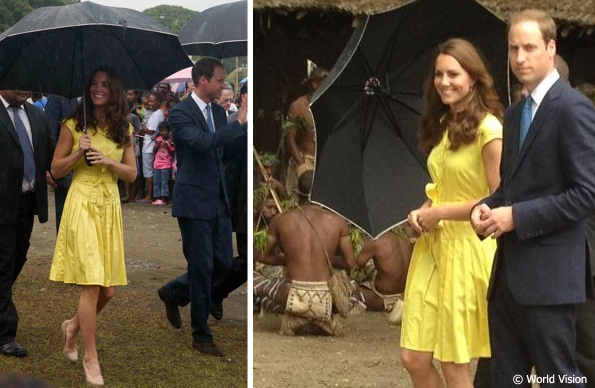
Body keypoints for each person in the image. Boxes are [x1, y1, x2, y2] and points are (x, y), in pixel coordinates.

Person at [471, 10, 595, 388]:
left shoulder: (573, 109)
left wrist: (516, 217)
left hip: (551, 281)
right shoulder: (514, 113)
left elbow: (586, 194)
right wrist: (486, 207)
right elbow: (511, 189)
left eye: (529, 48)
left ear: (550, 47)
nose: (520, 58)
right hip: (508, 278)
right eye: (513, 50)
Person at [399, 38, 503, 388]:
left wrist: (440, 211)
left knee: (454, 363)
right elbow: (442, 185)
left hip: (469, 248)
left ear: (473, 78)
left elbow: (498, 199)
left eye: (454, 74)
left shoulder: (489, 129)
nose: (444, 82)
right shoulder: (443, 124)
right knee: (413, 358)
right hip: (432, 250)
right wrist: (424, 211)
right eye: (439, 74)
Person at [49, 66, 136, 387]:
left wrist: (109, 161)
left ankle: (72, 326)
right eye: (94, 84)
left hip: (109, 206)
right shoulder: (73, 125)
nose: (98, 89)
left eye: (104, 85)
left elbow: (131, 174)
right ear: (88, 89)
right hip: (82, 203)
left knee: (108, 291)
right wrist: (77, 154)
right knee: (91, 283)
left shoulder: (123, 129)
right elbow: (56, 170)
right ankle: (89, 355)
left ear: (114, 91)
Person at [156, 58, 247, 357]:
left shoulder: (220, 115)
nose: (224, 86)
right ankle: (201, 334)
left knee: (221, 263)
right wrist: (238, 123)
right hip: (193, 201)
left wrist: (244, 132)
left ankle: (174, 292)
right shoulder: (181, 113)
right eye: (221, 81)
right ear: (203, 80)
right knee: (202, 266)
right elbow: (203, 144)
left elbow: (224, 152)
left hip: (218, 200)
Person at [253, 170, 359, 336]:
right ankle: (322, 318)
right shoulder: (338, 222)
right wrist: (327, 261)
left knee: (254, 281)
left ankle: (297, 316)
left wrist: (288, 260)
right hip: (326, 298)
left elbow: (262, 256)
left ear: (296, 193)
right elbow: (351, 264)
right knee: (354, 286)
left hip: (291, 295)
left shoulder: (281, 220)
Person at [0, 90, 54, 358]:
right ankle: (5, 334)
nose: (25, 87)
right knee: (4, 264)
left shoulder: (36, 115)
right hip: (1, 203)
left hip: (27, 203)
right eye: (18, 80)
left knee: (17, 258)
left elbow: (52, 154)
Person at [211, 81, 248, 320]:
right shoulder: (232, 123)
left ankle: (212, 289)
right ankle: (214, 290)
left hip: (266, 198)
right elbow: (227, 160)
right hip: (242, 198)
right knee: (244, 259)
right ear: (244, 97)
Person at [284, 64, 329, 195]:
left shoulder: (330, 104)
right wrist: (302, 165)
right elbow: (290, 138)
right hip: (305, 160)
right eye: (323, 81)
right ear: (314, 84)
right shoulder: (298, 106)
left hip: (324, 162)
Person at [355, 231, 412, 321]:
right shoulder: (405, 239)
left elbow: (355, 265)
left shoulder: (376, 241)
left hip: (382, 299)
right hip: (404, 296)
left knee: (350, 287)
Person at [44, 94, 79, 231]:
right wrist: (49, 167)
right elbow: (49, 133)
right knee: (66, 217)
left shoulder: (94, 97)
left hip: (89, 171)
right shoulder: (58, 98)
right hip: (65, 168)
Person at [137, 91, 165, 203]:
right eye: (149, 100)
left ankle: (149, 196)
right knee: (150, 171)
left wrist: (142, 127)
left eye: (152, 101)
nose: (149, 103)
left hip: (149, 146)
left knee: (148, 172)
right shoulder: (158, 113)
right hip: (151, 145)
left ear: (158, 102)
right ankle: (151, 195)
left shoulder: (157, 114)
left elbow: (151, 130)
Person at [152, 121, 175, 206]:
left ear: (168, 131)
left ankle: (164, 198)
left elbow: (173, 153)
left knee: (164, 181)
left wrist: (167, 148)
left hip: (166, 164)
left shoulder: (170, 141)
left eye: (165, 130)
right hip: (157, 163)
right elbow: (154, 151)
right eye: (161, 130)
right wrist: (157, 145)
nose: (163, 132)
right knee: (157, 181)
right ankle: (157, 197)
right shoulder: (158, 139)